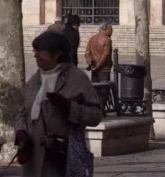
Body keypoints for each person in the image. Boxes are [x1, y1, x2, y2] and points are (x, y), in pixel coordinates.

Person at [14, 30, 103, 177]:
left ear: (56, 54)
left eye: (40, 51)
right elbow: (22, 112)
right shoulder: (34, 81)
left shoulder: (77, 79)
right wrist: (20, 131)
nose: (36, 55)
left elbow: (95, 115)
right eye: (35, 51)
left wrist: (68, 107)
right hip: (33, 158)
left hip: (61, 156)